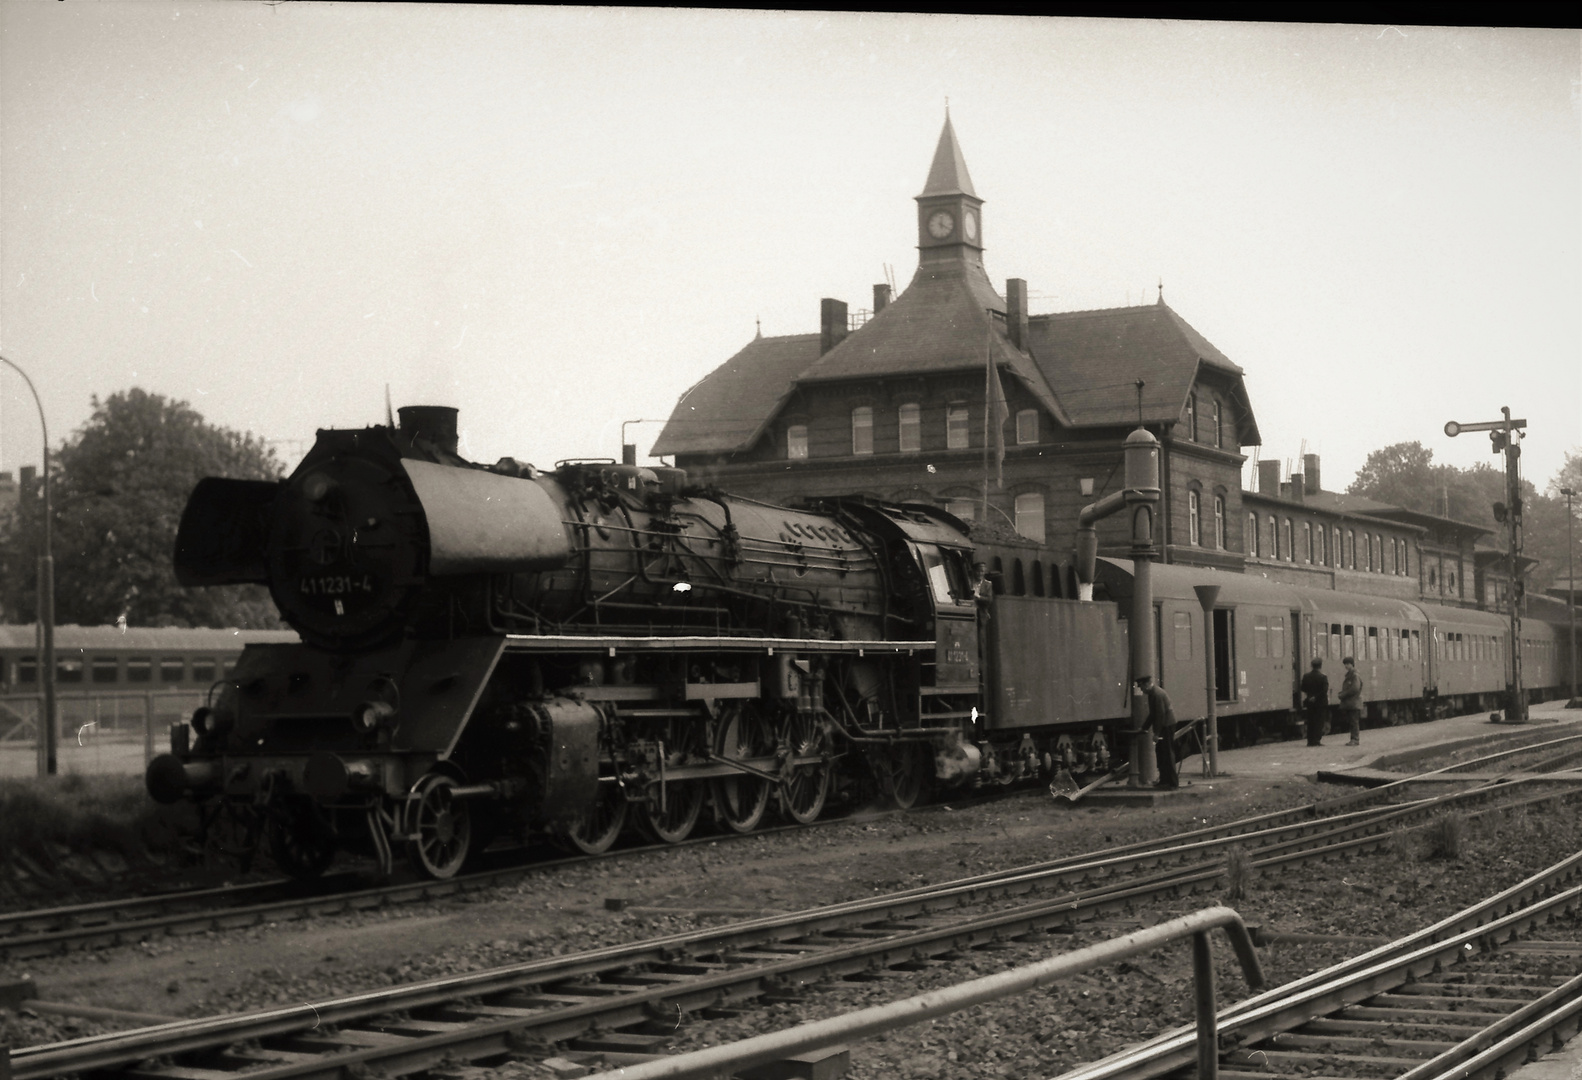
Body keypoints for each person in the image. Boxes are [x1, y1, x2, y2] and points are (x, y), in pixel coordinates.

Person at [1136, 674, 1178, 789]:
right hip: (1165, 725)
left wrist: (1157, 734)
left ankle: (1172, 783)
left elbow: (1160, 715)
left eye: (1141, 687)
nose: (1141, 689)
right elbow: (1153, 714)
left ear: (1147, 684)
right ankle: (1164, 781)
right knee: (1161, 753)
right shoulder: (1153, 693)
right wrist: (1144, 727)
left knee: (1167, 754)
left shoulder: (1156, 694)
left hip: (1166, 725)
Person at [1300, 658, 1330, 747]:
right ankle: (1317, 740)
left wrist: (1310, 696)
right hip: (1320, 703)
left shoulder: (1306, 676)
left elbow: (1303, 688)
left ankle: (1310, 741)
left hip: (1310, 702)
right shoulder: (1323, 677)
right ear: (1320, 666)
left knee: (1311, 721)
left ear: (1311, 666)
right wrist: (1316, 697)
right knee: (1319, 722)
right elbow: (1324, 690)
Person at [1339, 656, 1364, 746]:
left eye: (1347, 664)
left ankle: (1355, 739)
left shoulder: (1354, 675)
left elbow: (1355, 688)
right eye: (1345, 664)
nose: (1346, 666)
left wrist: (1343, 694)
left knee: (1354, 721)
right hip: (1352, 702)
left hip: (1354, 702)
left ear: (1351, 664)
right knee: (1353, 721)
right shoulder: (1351, 674)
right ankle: (1353, 739)